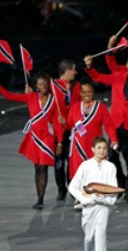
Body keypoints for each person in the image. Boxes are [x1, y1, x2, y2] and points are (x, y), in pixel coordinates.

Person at [0, 72, 64, 209]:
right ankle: (39, 198)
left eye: (45, 84)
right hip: (34, 137)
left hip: (48, 137)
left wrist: (59, 142)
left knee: (43, 166)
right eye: (40, 84)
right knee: (37, 168)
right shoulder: (31, 97)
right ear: (35, 86)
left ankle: (41, 199)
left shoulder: (55, 100)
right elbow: (10, 96)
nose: (43, 86)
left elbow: (57, 123)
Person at [84, 55, 128, 203]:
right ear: (126, 66)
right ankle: (121, 183)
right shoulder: (118, 77)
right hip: (117, 124)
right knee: (112, 156)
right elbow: (98, 77)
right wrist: (89, 67)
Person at [68, 136, 118, 251]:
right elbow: (72, 186)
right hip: (89, 206)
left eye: (104, 148)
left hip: (103, 205)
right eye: (99, 148)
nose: (102, 151)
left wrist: (108, 200)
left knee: (100, 236)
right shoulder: (85, 166)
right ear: (93, 149)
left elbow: (113, 187)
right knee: (89, 238)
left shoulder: (111, 167)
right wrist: (83, 199)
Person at [65, 82, 118, 180]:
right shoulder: (75, 107)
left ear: (93, 92)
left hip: (95, 147)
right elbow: (69, 126)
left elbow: (109, 126)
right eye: (83, 92)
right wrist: (63, 123)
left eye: (89, 92)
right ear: (80, 93)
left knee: (96, 176)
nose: (86, 95)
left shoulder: (100, 107)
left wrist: (114, 139)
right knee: (80, 176)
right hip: (79, 147)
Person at [52, 59, 80, 201]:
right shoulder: (53, 85)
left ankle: (71, 187)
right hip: (58, 129)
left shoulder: (76, 86)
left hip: (72, 127)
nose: (76, 72)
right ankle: (61, 189)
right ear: (68, 71)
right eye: (74, 70)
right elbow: (41, 97)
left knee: (72, 160)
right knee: (59, 160)